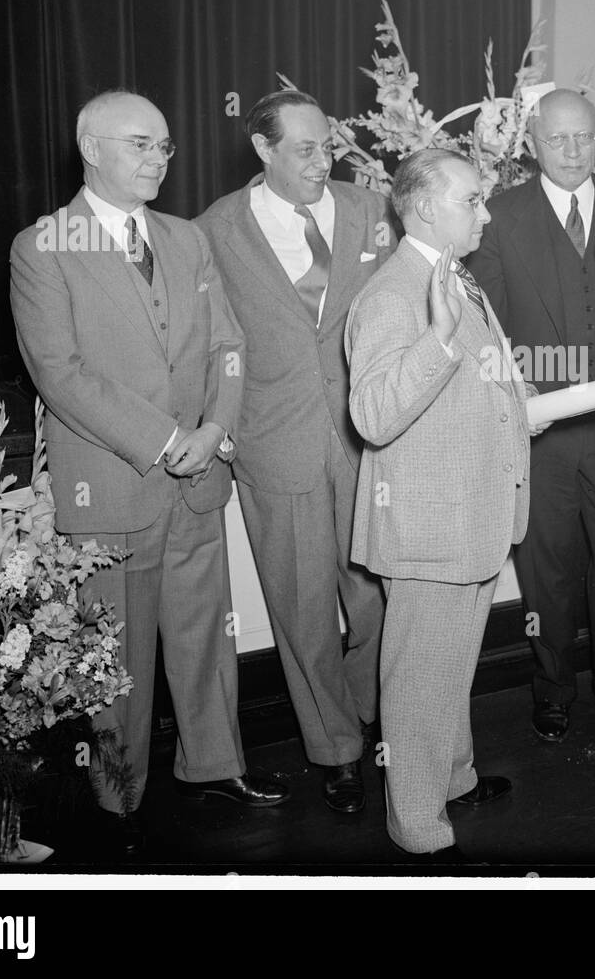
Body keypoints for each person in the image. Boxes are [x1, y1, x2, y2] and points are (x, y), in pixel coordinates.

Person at [9, 90, 287, 854]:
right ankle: (117, 799)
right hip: (114, 485)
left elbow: (228, 344)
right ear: (90, 147)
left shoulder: (184, 238)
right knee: (116, 662)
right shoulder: (43, 245)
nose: (158, 159)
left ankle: (215, 765)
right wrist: (169, 439)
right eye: (140, 144)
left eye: (164, 146)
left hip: (198, 478)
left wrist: (216, 428)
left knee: (205, 639)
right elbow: (59, 374)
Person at [192, 90, 395, 814]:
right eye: (304, 149)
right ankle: (336, 749)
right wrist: (218, 423)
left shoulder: (373, 210)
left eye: (327, 145)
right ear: (263, 149)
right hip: (275, 443)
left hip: (369, 432)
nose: (322, 161)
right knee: (302, 610)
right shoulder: (213, 230)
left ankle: (376, 714)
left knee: (381, 593)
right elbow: (206, 342)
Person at [346, 148, 542, 860]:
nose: (486, 212)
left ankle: (452, 778)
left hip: (469, 513)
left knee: (449, 665)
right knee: (419, 676)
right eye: (473, 199)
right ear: (425, 206)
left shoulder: (452, 277)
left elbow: (472, 385)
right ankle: (418, 824)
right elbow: (371, 412)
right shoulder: (394, 295)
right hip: (430, 521)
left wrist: (522, 410)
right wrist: (435, 337)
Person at [467, 88, 595, 741]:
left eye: (584, 137)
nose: (574, 151)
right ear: (532, 143)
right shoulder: (496, 216)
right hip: (540, 432)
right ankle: (552, 688)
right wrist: (518, 399)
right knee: (545, 571)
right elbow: (489, 332)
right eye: (559, 139)